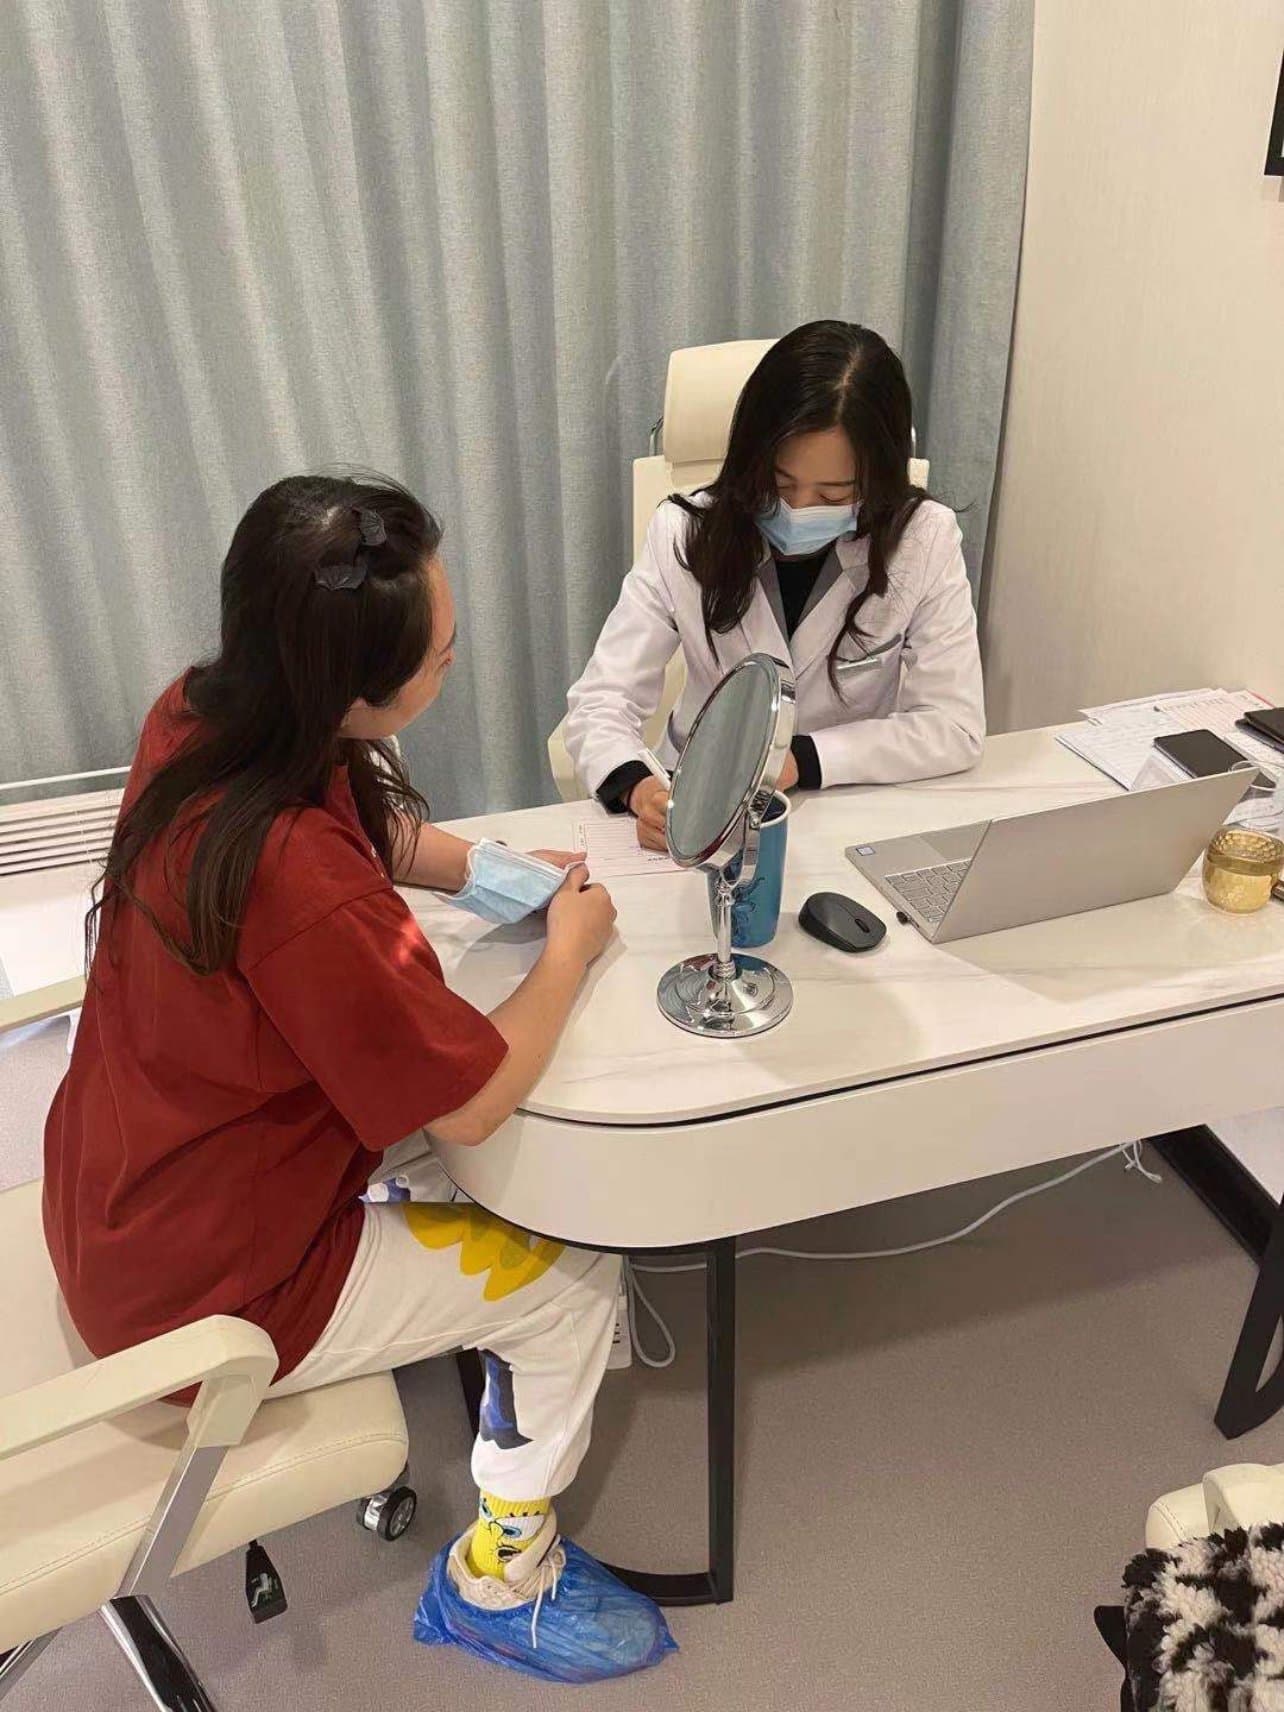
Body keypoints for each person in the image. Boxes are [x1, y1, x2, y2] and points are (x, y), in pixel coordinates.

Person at [42, 475, 673, 1682]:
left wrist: (490, 874)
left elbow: (360, 830)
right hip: (207, 1296)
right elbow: (471, 1100)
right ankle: (501, 1580)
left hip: (119, 1186)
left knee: (484, 1148)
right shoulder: (303, 886)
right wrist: (570, 949)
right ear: (349, 690)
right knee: (574, 1273)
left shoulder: (206, 711)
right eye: (438, 656)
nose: (454, 660)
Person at [565, 320, 985, 849]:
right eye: (780, 483)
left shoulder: (923, 540)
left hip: (845, 799)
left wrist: (802, 760)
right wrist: (638, 787)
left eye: (833, 495)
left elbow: (953, 726)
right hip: (699, 801)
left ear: (877, 480)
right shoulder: (684, 531)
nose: (798, 509)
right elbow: (601, 702)